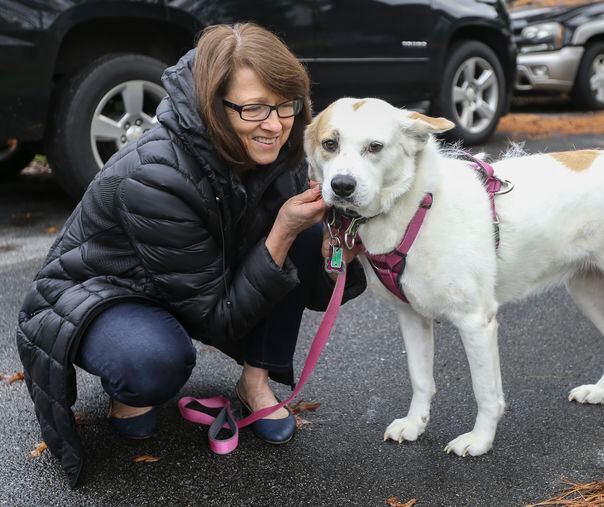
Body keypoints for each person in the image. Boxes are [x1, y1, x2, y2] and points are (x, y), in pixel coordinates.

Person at [15, 23, 366, 488]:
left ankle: (255, 383)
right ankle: (129, 385)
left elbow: (316, 291)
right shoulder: (156, 174)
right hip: (106, 291)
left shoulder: (280, 150)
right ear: (213, 107)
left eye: (286, 105)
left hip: (195, 276)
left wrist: (335, 250)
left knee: (302, 234)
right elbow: (219, 318)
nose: (276, 124)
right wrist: (281, 231)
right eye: (255, 107)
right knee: (153, 361)